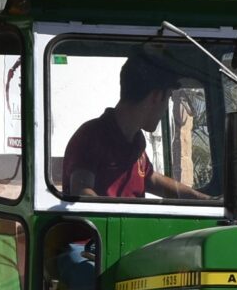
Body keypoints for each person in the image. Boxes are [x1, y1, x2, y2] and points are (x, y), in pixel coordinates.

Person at [62, 53, 205, 201]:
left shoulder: (136, 140)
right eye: (168, 98)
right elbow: (82, 191)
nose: (164, 110)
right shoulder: (91, 136)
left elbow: (150, 179)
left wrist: (202, 199)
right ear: (156, 96)